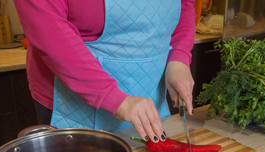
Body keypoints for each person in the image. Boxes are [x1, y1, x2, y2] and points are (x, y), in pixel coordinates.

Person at [14, 0, 196, 143]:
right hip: (74, 107)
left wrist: (179, 58)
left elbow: (185, 5)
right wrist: (115, 99)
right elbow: (48, 28)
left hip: (152, 95)